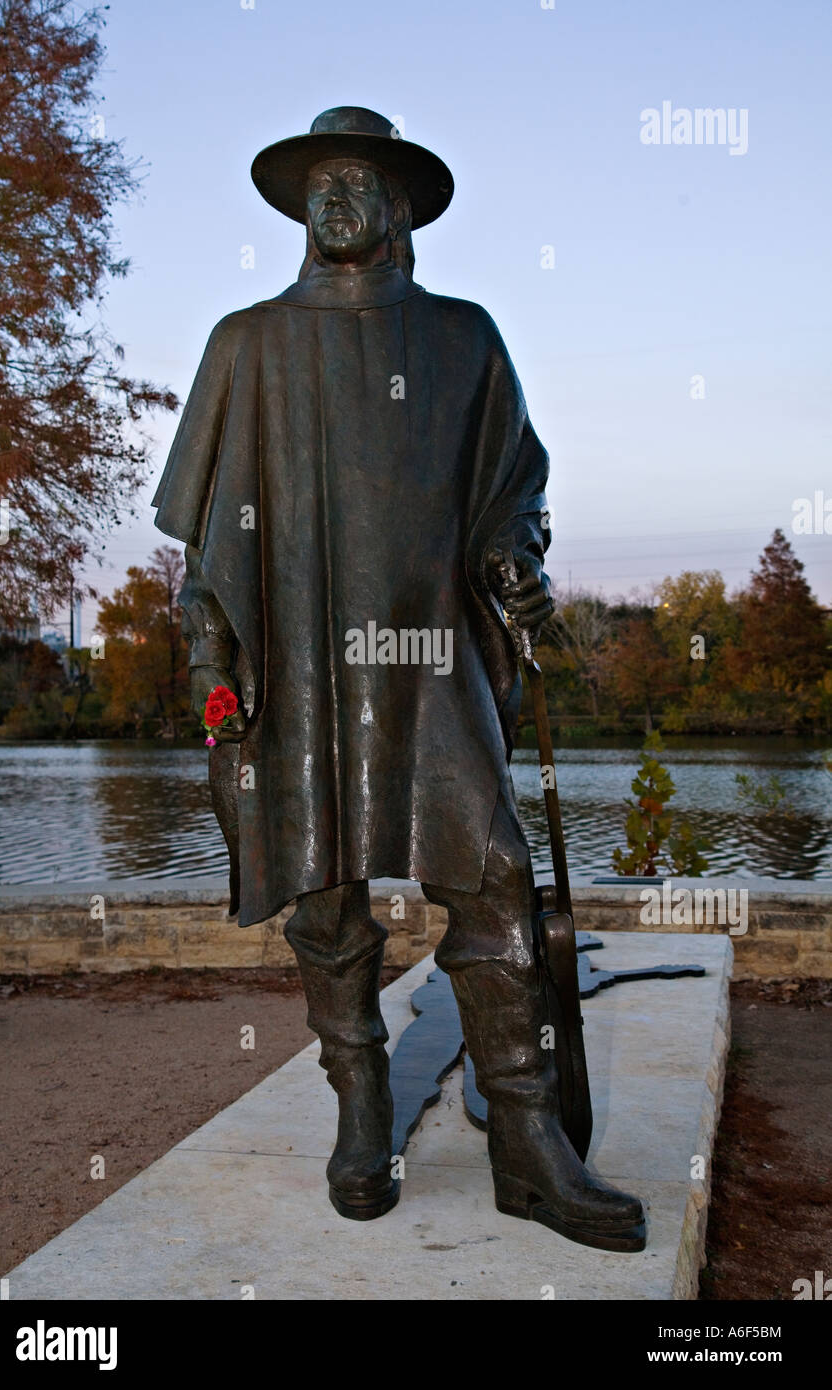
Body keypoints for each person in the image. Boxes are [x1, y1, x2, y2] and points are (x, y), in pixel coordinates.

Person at [153, 107, 645, 1251]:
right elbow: (208, 542)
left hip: (429, 658)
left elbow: (512, 494)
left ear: (401, 209)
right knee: (323, 895)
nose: (335, 198)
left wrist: (507, 558)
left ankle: (526, 1142)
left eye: (358, 182)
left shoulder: (464, 340)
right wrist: (211, 662)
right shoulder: (247, 344)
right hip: (298, 662)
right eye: (318, 182)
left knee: (494, 878)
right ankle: (361, 1104)